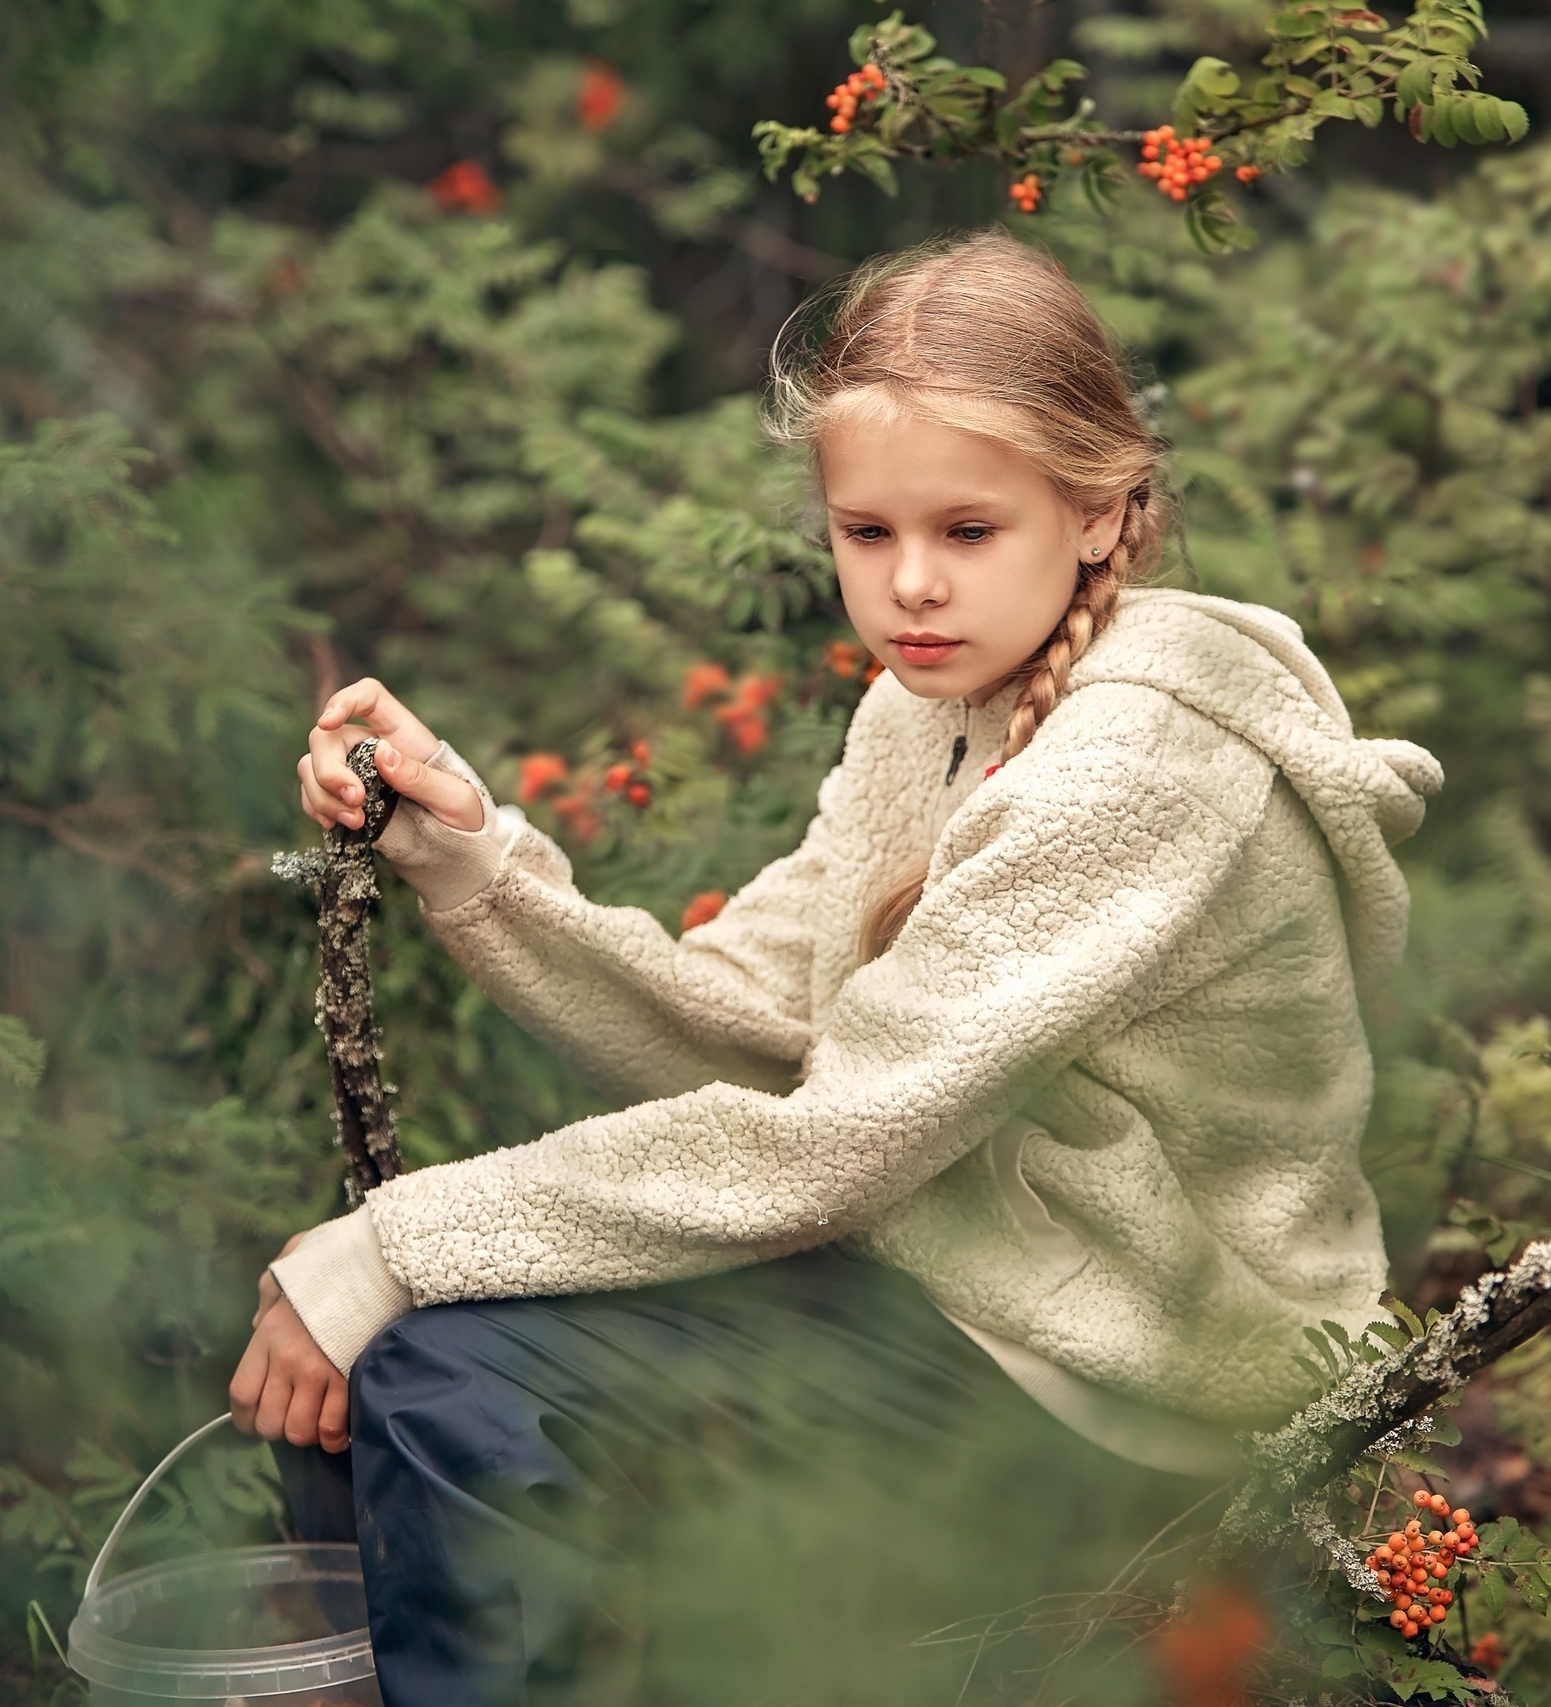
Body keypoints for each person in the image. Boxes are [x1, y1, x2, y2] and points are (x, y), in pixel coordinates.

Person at [229, 229, 1442, 1706]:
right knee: (362, 1370)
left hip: (1136, 1375)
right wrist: (475, 859)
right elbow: (752, 1019)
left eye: (967, 531)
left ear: (1103, 513)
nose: (910, 588)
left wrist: (386, 1249)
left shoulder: (1139, 762)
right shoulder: (932, 710)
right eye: (867, 534)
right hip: (976, 1286)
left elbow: (828, 1150)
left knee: (433, 1383)